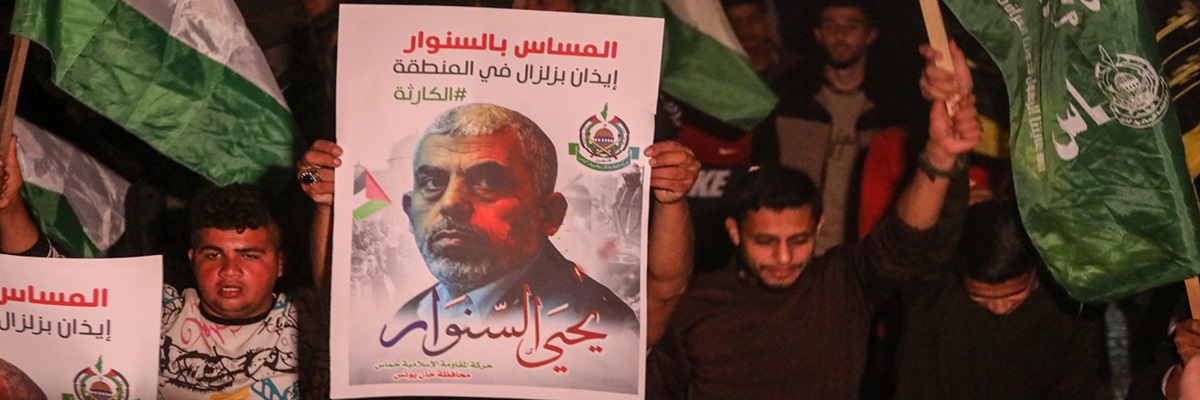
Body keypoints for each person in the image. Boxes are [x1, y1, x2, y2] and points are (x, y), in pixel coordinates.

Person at [645, 39, 980, 399]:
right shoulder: (695, 305)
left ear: (818, 228)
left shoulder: (841, 284)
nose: (785, 258)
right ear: (735, 232)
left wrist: (941, 156)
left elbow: (905, 240)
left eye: (800, 240)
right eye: (766, 242)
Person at [299, 105, 699, 348]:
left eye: (487, 182)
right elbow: (333, 294)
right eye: (433, 182)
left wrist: (671, 199)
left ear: (550, 214)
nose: (452, 205)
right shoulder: (410, 313)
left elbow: (663, 294)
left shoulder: (595, 321)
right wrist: (323, 198)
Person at [0, 136, 327, 399]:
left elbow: (341, 278)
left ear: (280, 263)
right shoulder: (154, 312)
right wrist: (9, 205)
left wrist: (328, 203)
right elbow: (48, 284)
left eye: (249, 255)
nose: (230, 270)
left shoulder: (308, 322)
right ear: (192, 259)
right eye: (213, 254)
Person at [893, 201, 1105, 399]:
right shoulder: (931, 294)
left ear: (1037, 268)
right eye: (980, 298)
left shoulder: (1072, 310)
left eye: (1014, 295)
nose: (999, 308)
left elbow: (1076, 388)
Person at [763, 0, 918, 254]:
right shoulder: (787, 101)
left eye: (852, 26)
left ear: (871, 34)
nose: (840, 35)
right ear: (818, 34)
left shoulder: (894, 109)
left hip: (864, 254)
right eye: (830, 25)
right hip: (794, 252)